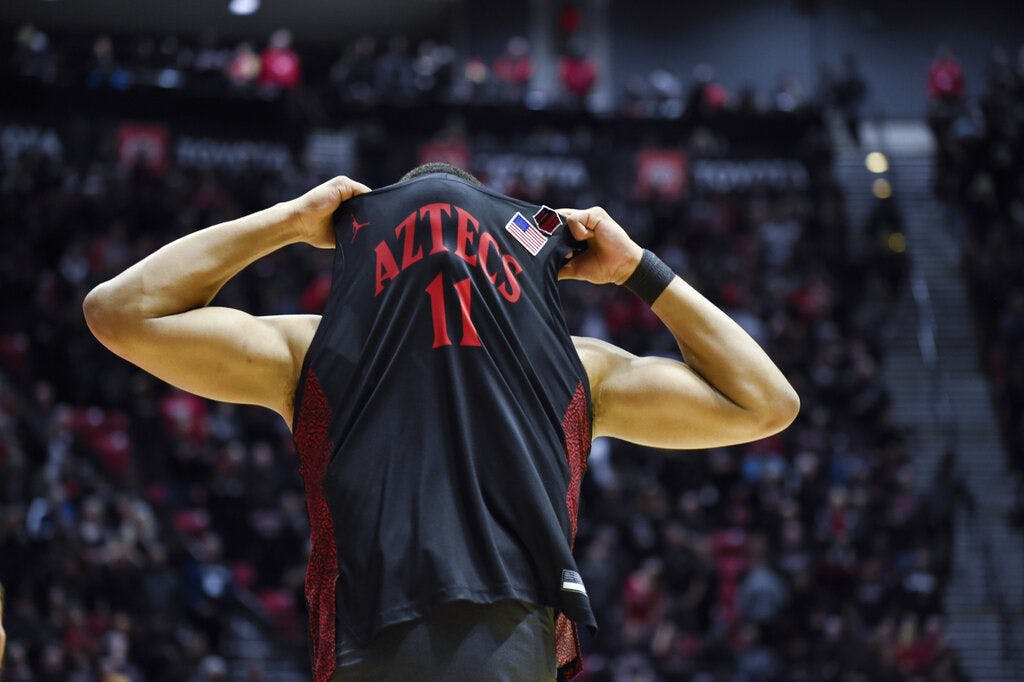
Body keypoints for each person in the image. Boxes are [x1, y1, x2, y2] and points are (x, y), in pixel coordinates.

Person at [83, 163, 799, 681]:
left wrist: (292, 224)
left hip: (371, 644)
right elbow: (765, 401)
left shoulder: (308, 349)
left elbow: (119, 314)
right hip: (512, 645)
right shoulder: (579, 366)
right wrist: (635, 269)